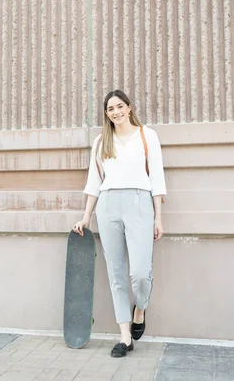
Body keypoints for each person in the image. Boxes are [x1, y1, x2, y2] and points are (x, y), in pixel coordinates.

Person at [73, 89, 166, 358]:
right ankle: (125, 337)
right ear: (106, 114)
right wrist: (86, 217)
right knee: (116, 274)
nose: (115, 112)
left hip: (139, 204)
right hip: (108, 206)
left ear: (129, 107)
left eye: (119, 106)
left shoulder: (147, 136)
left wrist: (158, 217)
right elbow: (94, 183)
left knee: (139, 272)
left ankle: (140, 308)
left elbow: (157, 179)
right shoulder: (101, 142)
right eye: (110, 109)